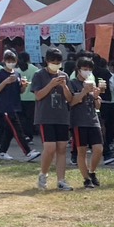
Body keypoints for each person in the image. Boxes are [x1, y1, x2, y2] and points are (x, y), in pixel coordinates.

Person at [32, 49, 74, 191]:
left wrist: (64, 86)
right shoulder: (39, 75)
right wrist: (51, 84)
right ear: (47, 61)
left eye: (58, 62)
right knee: (50, 148)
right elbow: (38, 95)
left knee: (62, 148)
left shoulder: (64, 76)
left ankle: (61, 180)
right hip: (45, 117)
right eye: (53, 62)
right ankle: (43, 174)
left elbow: (69, 98)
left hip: (62, 116)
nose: (55, 64)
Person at [0, 50, 38, 162]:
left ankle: (2, 152)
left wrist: (24, 86)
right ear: (4, 61)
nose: (11, 63)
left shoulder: (17, 73)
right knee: (17, 130)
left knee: (9, 131)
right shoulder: (0, 73)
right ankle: (27, 152)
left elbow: (20, 91)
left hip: (16, 105)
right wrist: (6, 81)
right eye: (8, 61)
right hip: (6, 107)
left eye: (13, 61)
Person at [68, 56, 105, 189]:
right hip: (79, 121)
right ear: (78, 70)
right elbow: (71, 102)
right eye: (85, 69)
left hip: (93, 120)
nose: (87, 71)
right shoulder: (72, 83)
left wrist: (96, 96)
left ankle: (92, 171)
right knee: (81, 151)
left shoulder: (92, 83)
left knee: (98, 149)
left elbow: (97, 106)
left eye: (89, 69)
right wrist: (84, 91)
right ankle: (86, 179)